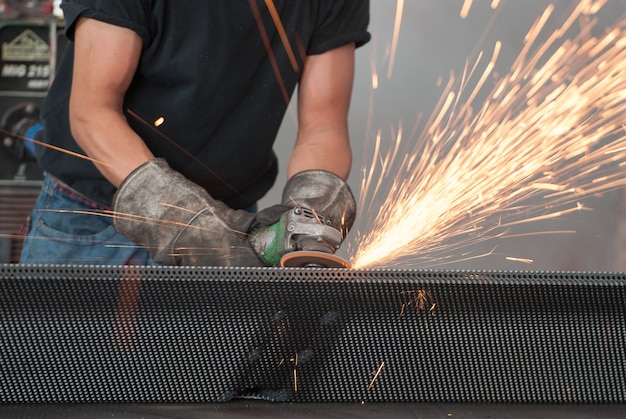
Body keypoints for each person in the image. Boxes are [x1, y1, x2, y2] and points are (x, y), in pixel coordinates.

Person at [20, 1, 371, 266]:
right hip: (91, 223)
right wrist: (189, 223)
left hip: (235, 222)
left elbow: (323, 125)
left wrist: (311, 213)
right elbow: (92, 113)